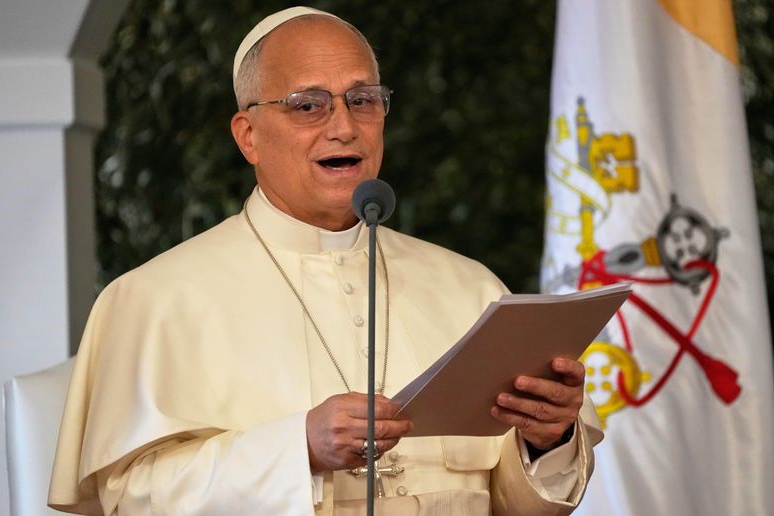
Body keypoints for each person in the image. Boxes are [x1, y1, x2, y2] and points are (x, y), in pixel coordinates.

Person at [48, 6, 603, 515]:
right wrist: (299, 448)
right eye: (307, 106)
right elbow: (130, 499)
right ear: (248, 136)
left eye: (362, 100)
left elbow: (514, 505)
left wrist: (546, 439)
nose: (343, 126)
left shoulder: (470, 286)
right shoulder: (156, 297)